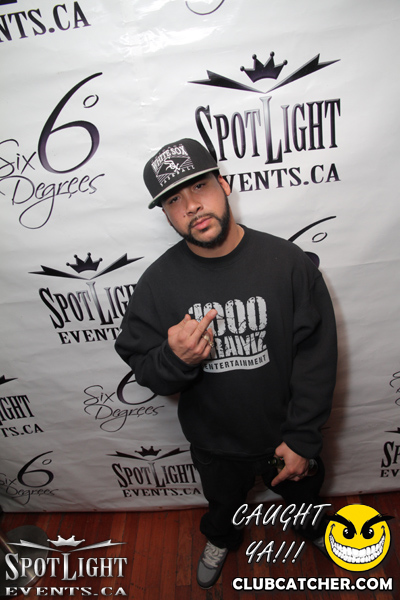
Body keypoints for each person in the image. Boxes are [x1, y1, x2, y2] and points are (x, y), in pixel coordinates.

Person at [115, 138, 337, 589]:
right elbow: (148, 372)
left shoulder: (287, 263)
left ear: (224, 183)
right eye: (173, 200)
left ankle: (312, 526)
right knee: (222, 507)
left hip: (285, 433)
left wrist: (302, 437)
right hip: (214, 445)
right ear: (166, 214)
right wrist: (174, 358)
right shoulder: (157, 284)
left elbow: (317, 356)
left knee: (304, 497)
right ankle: (221, 537)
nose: (191, 206)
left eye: (199, 186)